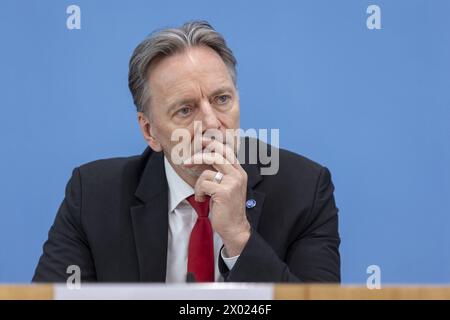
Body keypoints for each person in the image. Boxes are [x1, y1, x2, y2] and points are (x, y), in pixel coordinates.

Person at [33, 21, 340, 283]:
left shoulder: (305, 190)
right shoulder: (94, 196)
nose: (210, 122)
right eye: (185, 109)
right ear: (150, 131)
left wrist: (238, 236)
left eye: (221, 99)